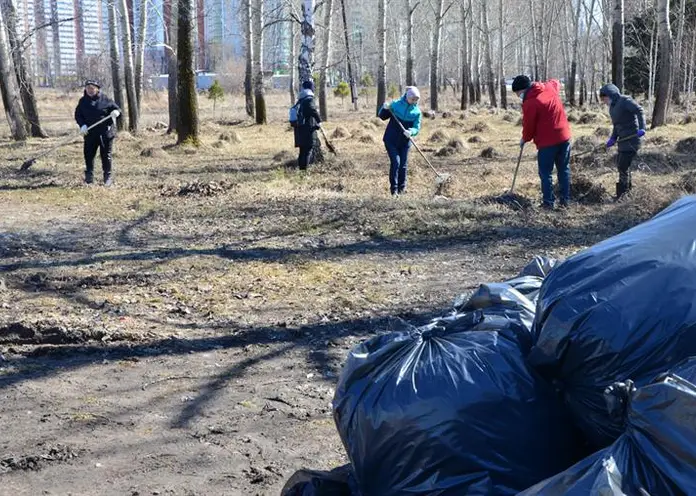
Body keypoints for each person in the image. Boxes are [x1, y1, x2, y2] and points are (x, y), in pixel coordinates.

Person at [513, 75, 572, 209]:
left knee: (545, 173)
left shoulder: (530, 103)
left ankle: (548, 203)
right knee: (564, 170)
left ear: (522, 90)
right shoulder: (549, 87)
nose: (518, 96)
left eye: (517, 93)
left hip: (547, 142)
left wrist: (524, 139)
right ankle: (565, 201)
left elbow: (529, 125)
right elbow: (556, 81)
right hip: (564, 137)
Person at [599, 84, 646, 200]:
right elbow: (617, 125)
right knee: (622, 166)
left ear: (610, 95)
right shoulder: (612, 107)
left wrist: (642, 128)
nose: (604, 101)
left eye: (604, 98)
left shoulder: (625, 101)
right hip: (622, 141)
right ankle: (625, 193)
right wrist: (613, 138)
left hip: (632, 138)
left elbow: (639, 110)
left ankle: (623, 195)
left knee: (623, 166)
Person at [74, 79, 121, 186]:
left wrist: (116, 112)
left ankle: (107, 177)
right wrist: (82, 125)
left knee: (106, 155)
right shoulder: (83, 101)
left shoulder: (106, 99)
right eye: (87, 88)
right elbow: (78, 115)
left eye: (92, 88)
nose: (90, 90)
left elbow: (118, 109)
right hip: (90, 132)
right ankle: (89, 177)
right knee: (89, 155)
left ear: (97, 89)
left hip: (105, 132)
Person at [377, 86, 422, 196]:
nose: (414, 101)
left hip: (405, 142)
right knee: (396, 163)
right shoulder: (396, 105)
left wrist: (411, 132)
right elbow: (382, 116)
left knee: (403, 165)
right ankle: (394, 190)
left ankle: (402, 190)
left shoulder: (417, 112)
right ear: (407, 97)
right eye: (412, 99)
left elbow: (417, 127)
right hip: (391, 140)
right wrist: (385, 108)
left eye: (416, 99)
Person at [293, 80, 322, 171]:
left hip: (299, 128)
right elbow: (312, 110)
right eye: (313, 86)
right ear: (311, 87)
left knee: (302, 151)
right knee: (307, 150)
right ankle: (304, 171)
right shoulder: (309, 99)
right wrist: (319, 121)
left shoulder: (300, 99)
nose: (314, 88)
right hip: (307, 129)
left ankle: (301, 171)